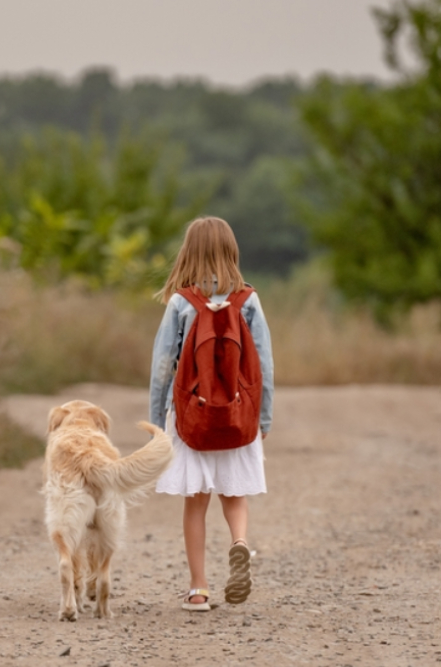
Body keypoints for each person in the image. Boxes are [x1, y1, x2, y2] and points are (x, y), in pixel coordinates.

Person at [149, 216, 274, 611]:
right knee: (234, 496)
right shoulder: (248, 300)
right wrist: (263, 417)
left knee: (196, 502)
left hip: (191, 418)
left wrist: (156, 421)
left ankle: (198, 588)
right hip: (238, 414)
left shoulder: (180, 303)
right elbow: (265, 367)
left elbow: (161, 367)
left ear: (188, 253)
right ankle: (239, 544)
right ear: (231, 251)